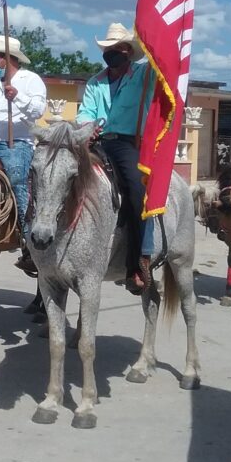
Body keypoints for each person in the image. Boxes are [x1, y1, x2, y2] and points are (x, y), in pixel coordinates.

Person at [76, 22, 155, 294]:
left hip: (125, 142)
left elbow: (168, 68)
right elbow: (84, 112)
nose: (111, 53)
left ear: (128, 52)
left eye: (117, 49)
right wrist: (89, 126)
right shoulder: (95, 82)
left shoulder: (144, 76)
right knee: (57, 175)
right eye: (108, 49)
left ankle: (139, 259)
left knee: (136, 190)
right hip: (95, 141)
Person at [0, 35, 47, 276]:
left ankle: (29, 243)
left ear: (6, 58)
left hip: (18, 144)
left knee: (16, 179)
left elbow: (37, 110)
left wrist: (17, 97)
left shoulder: (30, 80)